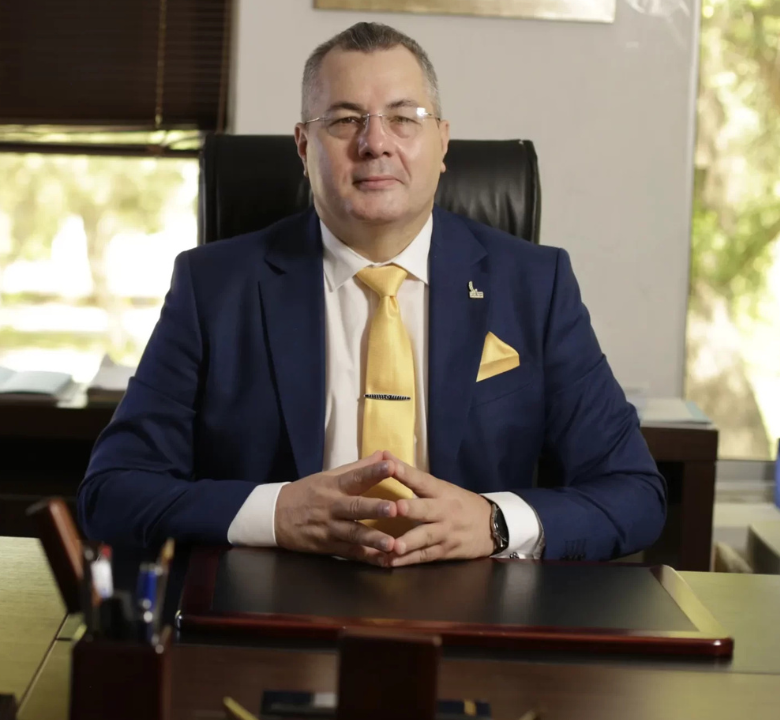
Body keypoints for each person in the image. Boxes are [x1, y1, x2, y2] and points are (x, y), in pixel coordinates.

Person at [78, 22, 666, 567]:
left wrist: (494, 522)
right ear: (303, 147)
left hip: (473, 609)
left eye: (404, 118)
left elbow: (634, 492)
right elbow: (113, 491)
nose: (375, 142)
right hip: (275, 605)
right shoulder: (213, 287)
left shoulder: (536, 285)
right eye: (344, 120)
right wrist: (278, 513)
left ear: (442, 143)